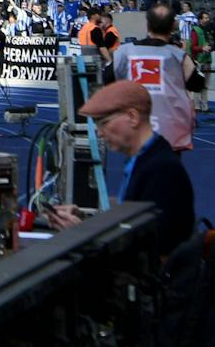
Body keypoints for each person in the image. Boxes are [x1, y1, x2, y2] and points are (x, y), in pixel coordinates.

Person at [45, 80, 195, 260]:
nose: (99, 133)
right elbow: (133, 227)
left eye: (104, 123)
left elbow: (152, 250)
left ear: (132, 117)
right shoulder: (144, 159)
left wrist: (83, 234)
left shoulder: (162, 170)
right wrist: (85, 220)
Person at [113, 2, 197, 151]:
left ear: (148, 24)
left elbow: (108, 79)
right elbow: (197, 83)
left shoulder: (125, 51)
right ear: (172, 26)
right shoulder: (178, 56)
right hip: (170, 129)